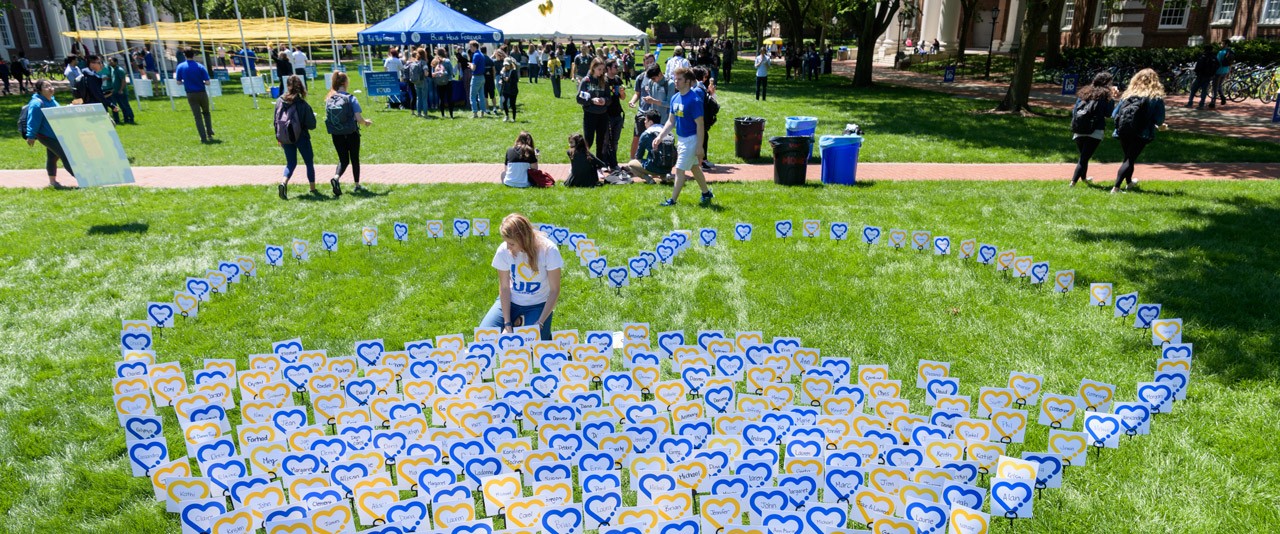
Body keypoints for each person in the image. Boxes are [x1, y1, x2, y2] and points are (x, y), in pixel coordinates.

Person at [479, 213, 563, 341]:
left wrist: (540, 322)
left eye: (511, 243)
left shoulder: (549, 250)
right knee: (484, 337)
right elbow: (505, 287)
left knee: (535, 345)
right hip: (511, 301)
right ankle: (515, 320)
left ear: (523, 239)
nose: (508, 247)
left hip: (538, 304)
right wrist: (507, 324)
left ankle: (523, 321)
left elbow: (554, 290)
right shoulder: (503, 251)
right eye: (506, 242)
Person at [655, 67, 713, 206]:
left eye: (679, 79)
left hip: (691, 139)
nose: (676, 81)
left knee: (680, 170)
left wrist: (699, 147)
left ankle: (673, 200)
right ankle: (706, 193)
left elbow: (700, 124)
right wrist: (660, 136)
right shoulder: (675, 98)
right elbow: (671, 121)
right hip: (681, 139)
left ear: (687, 81)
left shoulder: (694, 100)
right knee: (694, 167)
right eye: (675, 78)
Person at [1111, 69, 1167, 194]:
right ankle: (1116, 187)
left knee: (1128, 157)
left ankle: (1129, 182)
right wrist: (1160, 125)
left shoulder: (1127, 95)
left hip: (1123, 130)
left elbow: (1114, 114)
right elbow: (1159, 119)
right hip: (1142, 132)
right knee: (1129, 159)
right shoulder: (1155, 98)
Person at [325, 71, 373, 197]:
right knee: (354, 158)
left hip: (336, 133)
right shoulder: (351, 98)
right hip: (351, 132)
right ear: (345, 83)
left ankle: (336, 177)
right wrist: (365, 122)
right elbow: (358, 118)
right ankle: (357, 184)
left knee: (343, 159)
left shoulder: (330, 98)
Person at [1068, 72, 1117, 187]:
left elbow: (1075, 110)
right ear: (1107, 83)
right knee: (1084, 158)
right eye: (1110, 82)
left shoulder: (1084, 92)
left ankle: (1084, 179)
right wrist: (1112, 98)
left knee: (1084, 156)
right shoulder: (1105, 95)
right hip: (1095, 130)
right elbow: (1109, 113)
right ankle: (1073, 182)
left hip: (1079, 128)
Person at [25, 80, 76, 189]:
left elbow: (58, 113)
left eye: (51, 85)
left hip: (56, 134)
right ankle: (83, 179)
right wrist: (31, 136)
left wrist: (68, 108)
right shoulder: (37, 103)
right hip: (46, 136)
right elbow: (33, 121)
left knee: (52, 157)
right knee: (66, 156)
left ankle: (52, 182)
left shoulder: (52, 100)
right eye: (46, 86)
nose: (50, 88)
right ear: (40, 90)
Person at [275, 76, 318, 199]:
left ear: (287, 85)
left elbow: (275, 120)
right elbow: (312, 125)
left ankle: (283, 182)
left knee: (291, 163)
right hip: (302, 137)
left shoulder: (279, 101)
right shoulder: (302, 104)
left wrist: (278, 137)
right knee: (309, 162)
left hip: (285, 137)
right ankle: (312, 188)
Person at [630, 61, 671, 160]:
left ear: (660, 74)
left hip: (664, 120)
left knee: (664, 144)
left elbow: (670, 104)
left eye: (654, 78)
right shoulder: (651, 82)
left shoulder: (669, 84)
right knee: (651, 144)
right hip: (653, 119)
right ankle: (649, 164)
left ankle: (665, 166)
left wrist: (654, 101)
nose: (653, 81)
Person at [576, 58, 613, 166]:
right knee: (588, 140)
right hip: (590, 114)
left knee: (600, 141)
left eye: (603, 69)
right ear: (593, 68)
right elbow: (579, 98)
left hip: (602, 115)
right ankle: (581, 161)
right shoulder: (586, 81)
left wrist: (604, 101)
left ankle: (598, 165)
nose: (601, 72)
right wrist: (591, 100)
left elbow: (609, 99)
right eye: (599, 69)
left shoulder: (604, 81)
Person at [175, 49, 214, 143]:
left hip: (190, 94)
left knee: (197, 117)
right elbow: (208, 82)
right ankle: (209, 131)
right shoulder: (200, 66)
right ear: (194, 55)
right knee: (206, 112)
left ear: (185, 55)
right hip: (202, 92)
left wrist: (186, 82)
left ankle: (203, 137)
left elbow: (178, 82)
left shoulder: (180, 67)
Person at [628, 110, 674, 184]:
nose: (644, 122)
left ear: (651, 122)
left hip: (654, 167)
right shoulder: (669, 133)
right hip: (669, 166)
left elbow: (639, 155)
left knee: (631, 164)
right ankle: (665, 177)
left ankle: (649, 179)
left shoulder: (646, 134)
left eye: (646, 119)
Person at [603, 59, 627, 170]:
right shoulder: (603, 80)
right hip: (606, 115)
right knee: (605, 140)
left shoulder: (617, 80)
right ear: (608, 68)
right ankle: (604, 163)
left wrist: (622, 93)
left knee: (615, 141)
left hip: (617, 114)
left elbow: (623, 97)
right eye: (615, 66)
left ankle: (613, 163)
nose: (617, 68)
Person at [1186, 45, 1218, 110]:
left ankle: (1190, 103)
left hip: (1200, 76)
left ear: (1205, 50)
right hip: (1208, 76)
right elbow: (1218, 65)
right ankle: (1201, 104)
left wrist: (1197, 72)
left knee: (1193, 89)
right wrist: (1212, 74)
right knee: (1204, 90)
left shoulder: (1203, 57)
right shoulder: (1214, 57)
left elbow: (1198, 66)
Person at [107, 57, 135, 125]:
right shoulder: (113, 70)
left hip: (121, 92)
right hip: (115, 92)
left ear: (115, 62)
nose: (109, 62)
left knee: (125, 106)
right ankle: (124, 119)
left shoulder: (120, 70)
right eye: (109, 61)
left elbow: (123, 81)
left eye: (111, 61)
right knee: (120, 106)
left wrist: (121, 90)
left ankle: (130, 118)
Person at [432, 47, 455, 118]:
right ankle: (451, 115)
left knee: (441, 99)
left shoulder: (434, 61)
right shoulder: (447, 61)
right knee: (449, 98)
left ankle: (442, 114)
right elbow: (451, 72)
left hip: (439, 83)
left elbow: (433, 73)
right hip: (448, 81)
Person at [468, 41, 489, 118]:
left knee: (472, 96)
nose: (470, 48)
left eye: (470, 47)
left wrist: (470, 65)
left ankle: (475, 113)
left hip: (476, 77)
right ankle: (483, 112)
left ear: (474, 46)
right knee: (481, 96)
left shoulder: (475, 55)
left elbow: (473, 68)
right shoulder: (482, 55)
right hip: (482, 77)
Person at [1213, 41, 1233, 108]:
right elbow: (1230, 63)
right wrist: (1229, 72)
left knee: (1215, 87)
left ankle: (1213, 102)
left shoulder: (1220, 52)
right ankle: (1222, 97)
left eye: (1222, 43)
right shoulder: (1231, 52)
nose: (1220, 45)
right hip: (1226, 71)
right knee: (1219, 85)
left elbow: (1217, 62)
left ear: (1225, 44)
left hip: (1218, 71)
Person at [500, 58, 520, 122]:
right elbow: (502, 78)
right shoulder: (503, 71)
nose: (506, 66)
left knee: (512, 104)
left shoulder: (513, 71)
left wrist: (508, 80)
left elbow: (516, 80)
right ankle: (506, 115)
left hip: (512, 90)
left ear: (510, 64)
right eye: (505, 65)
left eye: (507, 65)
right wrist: (501, 80)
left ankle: (513, 118)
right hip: (505, 90)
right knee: (504, 102)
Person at [484, 46, 499, 111]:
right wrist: (493, 78)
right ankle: (494, 107)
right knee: (492, 95)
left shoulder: (481, 60)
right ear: (486, 51)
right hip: (491, 80)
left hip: (484, 80)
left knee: (485, 96)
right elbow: (494, 70)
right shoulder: (490, 60)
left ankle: (487, 109)